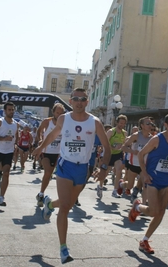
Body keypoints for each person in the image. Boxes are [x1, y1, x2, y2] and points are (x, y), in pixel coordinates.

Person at [32, 88, 111, 264]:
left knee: (65, 203)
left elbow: (107, 147)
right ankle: (63, 248)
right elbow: (52, 135)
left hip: (83, 168)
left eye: (82, 99)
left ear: (87, 101)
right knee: (66, 207)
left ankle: (49, 204)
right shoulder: (63, 119)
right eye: (75, 98)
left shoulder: (95, 122)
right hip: (65, 166)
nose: (79, 102)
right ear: (71, 100)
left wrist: (104, 168)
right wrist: (41, 147)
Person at [128, 113, 168, 254]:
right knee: (153, 211)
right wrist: (145, 174)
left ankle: (145, 240)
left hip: (166, 181)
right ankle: (138, 206)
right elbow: (141, 154)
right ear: (166, 125)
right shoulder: (157, 139)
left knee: (160, 213)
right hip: (153, 179)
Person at [35, 103, 66, 207]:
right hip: (45, 151)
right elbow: (39, 130)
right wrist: (40, 140)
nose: (59, 114)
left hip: (57, 153)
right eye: (57, 112)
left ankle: (41, 193)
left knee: (49, 174)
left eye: (61, 113)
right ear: (53, 112)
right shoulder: (47, 121)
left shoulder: (64, 123)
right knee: (48, 172)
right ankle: (41, 194)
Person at [120, 117, 152, 200]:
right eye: (147, 123)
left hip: (144, 166)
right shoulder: (136, 136)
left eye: (151, 124)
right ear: (142, 125)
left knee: (145, 184)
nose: (150, 125)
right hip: (133, 164)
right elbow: (124, 147)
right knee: (130, 185)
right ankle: (122, 184)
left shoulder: (152, 138)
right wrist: (133, 151)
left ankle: (143, 204)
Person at [106, 114, 128, 198]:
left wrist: (123, 148)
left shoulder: (124, 133)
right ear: (117, 122)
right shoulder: (111, 131)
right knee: (106, 172)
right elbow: (105, 143)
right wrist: (113, 147)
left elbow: (125, 144)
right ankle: (100, 186)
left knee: (119, 170)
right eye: (121, 123)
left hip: (118, 154)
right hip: (109, 154)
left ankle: (115, 190)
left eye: (124, 123)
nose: (122, 125)